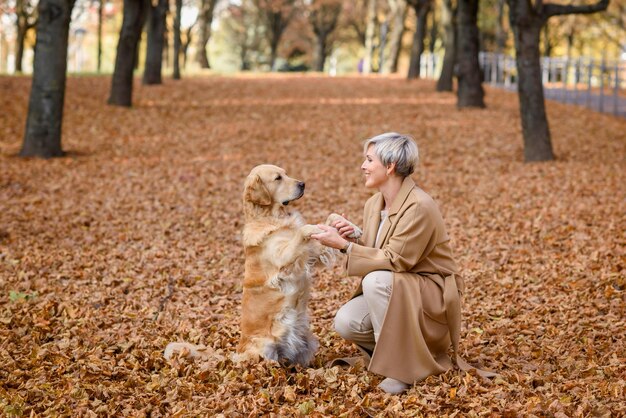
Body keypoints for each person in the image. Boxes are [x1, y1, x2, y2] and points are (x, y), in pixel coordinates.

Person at [311, 132, 494, 394]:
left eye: (369, 160)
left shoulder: (419, 205)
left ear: (390, 166)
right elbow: (381, 249)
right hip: (403, 285)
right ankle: (402, 353)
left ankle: (400, 369)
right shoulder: (375, 203)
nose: (363, 166)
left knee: (375, 281)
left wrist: (344, 246)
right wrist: (354, 235)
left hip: (431, 294)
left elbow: (396, 260)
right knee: (346, 320)